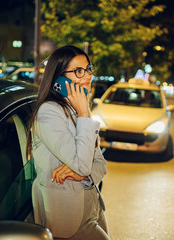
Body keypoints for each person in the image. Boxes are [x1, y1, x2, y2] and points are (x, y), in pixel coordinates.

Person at [26, 45, 109, 240]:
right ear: (59, 79)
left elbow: (100, 165)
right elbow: (82, 164)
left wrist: (83, 176)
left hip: (92, 209)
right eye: (79, 71)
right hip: (67, 220)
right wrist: (83, 113)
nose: (88, 75)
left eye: (88, 69)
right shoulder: (49, 112)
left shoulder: (79, 112)